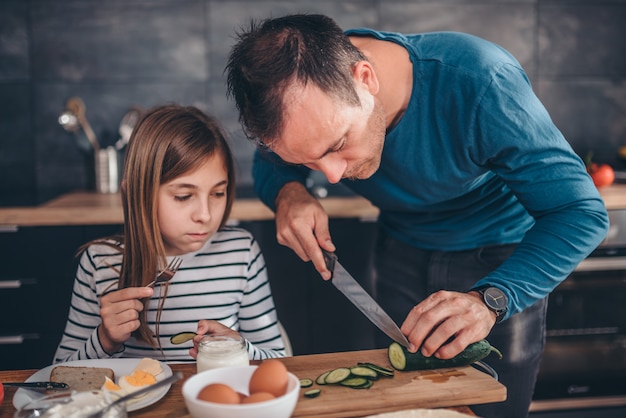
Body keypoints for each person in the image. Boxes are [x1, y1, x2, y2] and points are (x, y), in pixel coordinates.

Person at [225, 14, 609, 417]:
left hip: (503, 266)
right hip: (399, 253)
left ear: (365, 79)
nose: (334, 176)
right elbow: (272, 163)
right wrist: (289, 193)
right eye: (311, 160)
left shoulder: (481, 80)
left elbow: (580, 211)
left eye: (338, 145)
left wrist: (490, 300)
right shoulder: (299, 104)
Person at [54, 104, 286, 364]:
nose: (205, 215)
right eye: (183, 196)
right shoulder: (100, 263)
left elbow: (280, 360)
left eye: (218, 193)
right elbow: (61, 373)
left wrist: (236, 347)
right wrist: (105, 339)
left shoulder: (241, 252)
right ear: (137, 193)